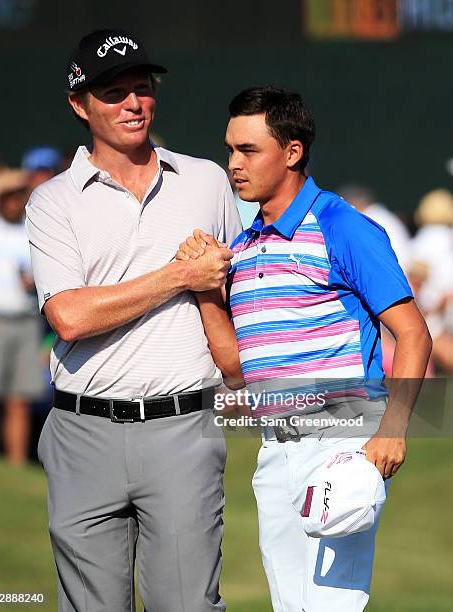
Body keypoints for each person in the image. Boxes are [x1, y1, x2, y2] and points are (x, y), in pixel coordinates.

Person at [176, 86, 432, 611]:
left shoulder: (343, 226)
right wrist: (204, 291)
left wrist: (393, 431)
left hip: (342, 441)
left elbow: (413, 332)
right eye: (230, 150)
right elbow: (235, 369)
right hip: (275, 447)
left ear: (292, 151)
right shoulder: (245, 247)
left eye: (248, 151)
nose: (233, 165)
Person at [25, 29, 242, 612]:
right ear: (80, 106)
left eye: (141, 89)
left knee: (188, 606)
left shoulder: (205, 181)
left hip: (182, 427)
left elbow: (236, 291)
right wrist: (178, 276)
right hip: (82, 433)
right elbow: (68, 316)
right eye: (113, 92)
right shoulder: (52, 201)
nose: (133, 103)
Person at [0, 169, 45, 464]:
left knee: (20, 400)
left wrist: (34, 283)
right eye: (9, 196)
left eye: (19, 196)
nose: (14, 202)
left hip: (26, 322)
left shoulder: (33, 229)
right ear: (0, 198)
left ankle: (15, 467)